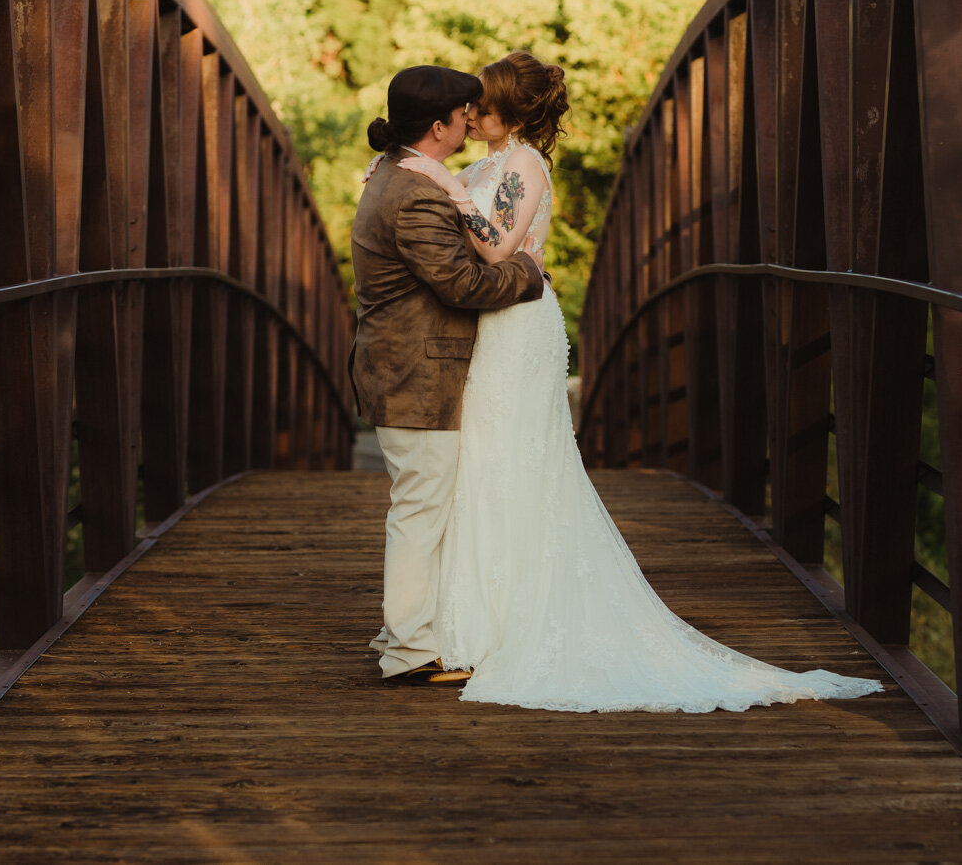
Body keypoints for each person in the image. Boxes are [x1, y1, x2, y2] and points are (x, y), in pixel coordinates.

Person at [398, 50, 884, 713]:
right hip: (486, 326)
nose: (472, 112)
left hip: (518, 331)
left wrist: (445, 188)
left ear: (513, 110)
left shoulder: (524, 164)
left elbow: (493, 246)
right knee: (484, 462)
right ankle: (475, 620)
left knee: (516, 461)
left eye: (483, 102)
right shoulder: (484, 163)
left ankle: (515, 622)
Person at [349, 64, 544, 685]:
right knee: (420, 508)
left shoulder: (396, 173)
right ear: (440, 125)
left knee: (422, 504)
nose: (470, 121)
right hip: (416, 374)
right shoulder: (416, 196)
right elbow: (462, 283)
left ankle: (404, 629)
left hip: (405, 367)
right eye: (464, 114)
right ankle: (407, 650)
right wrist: (533, 275)